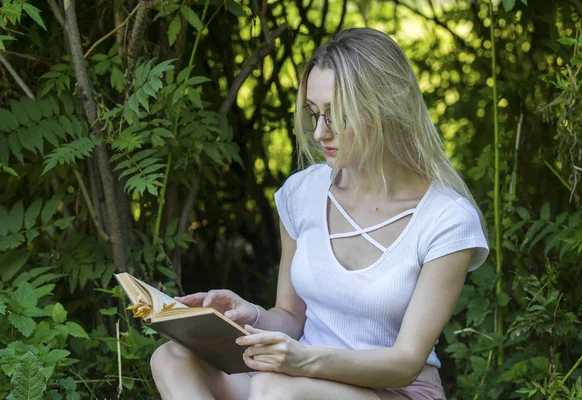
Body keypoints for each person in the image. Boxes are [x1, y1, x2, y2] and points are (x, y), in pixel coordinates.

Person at [150, 27, 489, 400]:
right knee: (171, 358)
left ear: (385, 108)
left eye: (335, 116)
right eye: (314, 114)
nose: (319, 133)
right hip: (291, 382)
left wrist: (301, 361)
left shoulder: (446, 218)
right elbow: (292, 318)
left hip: (392, 391)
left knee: (275, 390)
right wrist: (253, 316)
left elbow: (406, 361)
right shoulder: (303, 193)